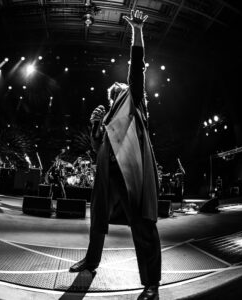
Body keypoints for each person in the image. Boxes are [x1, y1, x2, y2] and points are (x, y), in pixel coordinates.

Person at [69, 10, 161, 300]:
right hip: (107, 172)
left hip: (130, 171)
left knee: (142, 225)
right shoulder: (108, 117)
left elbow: (136, 71)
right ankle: (91, 261)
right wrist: (96, 124)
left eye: (116, 92)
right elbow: (97, 148)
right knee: (97, 218)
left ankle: (151, 284)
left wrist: (136, 30)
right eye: (111, 96)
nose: (113, 97)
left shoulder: (134, 102)